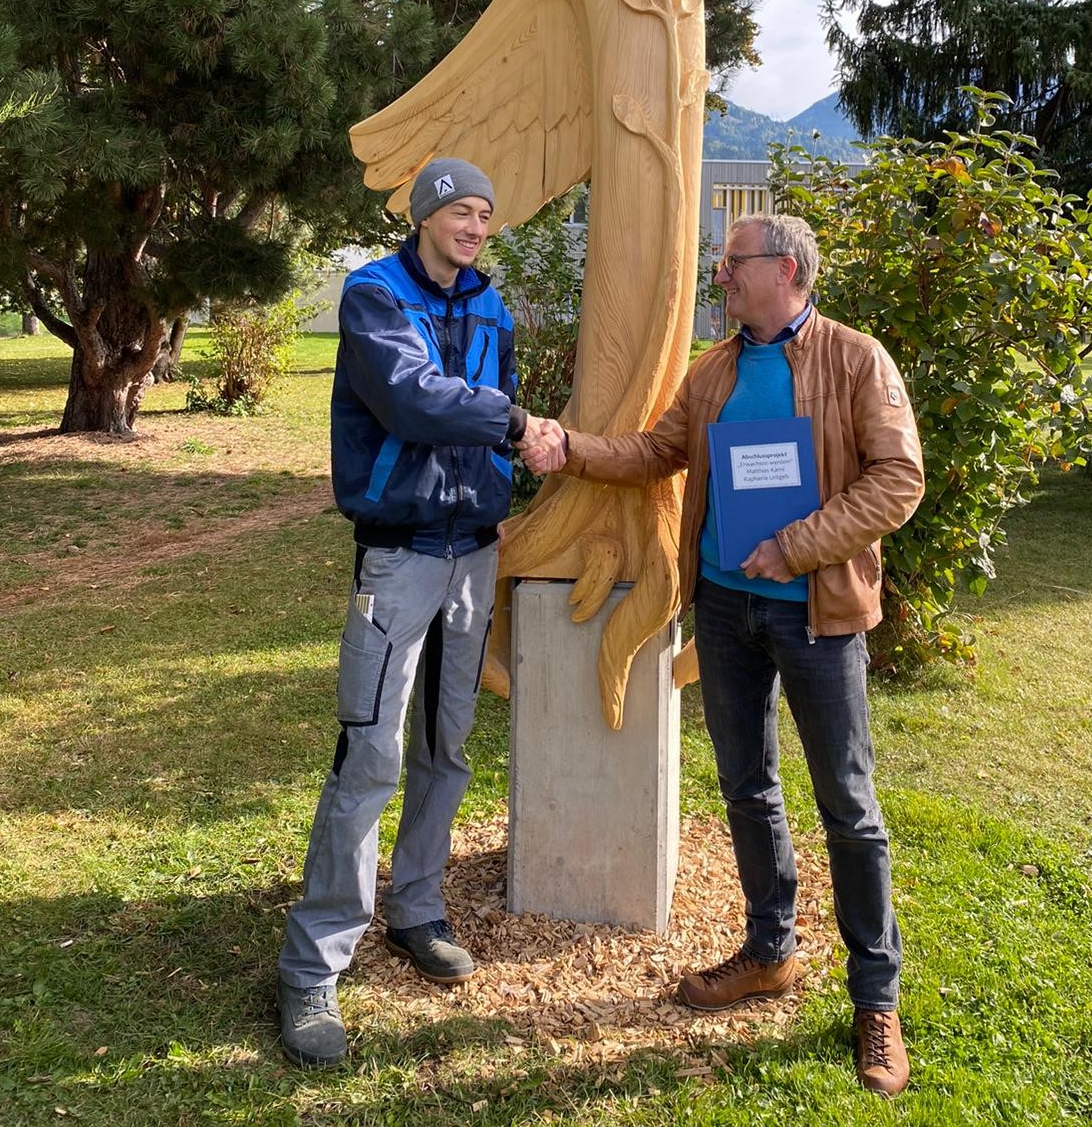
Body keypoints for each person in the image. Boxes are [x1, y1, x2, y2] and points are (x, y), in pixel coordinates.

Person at [522, 213, 924, 1097]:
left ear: (784, 269)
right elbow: (658, 452)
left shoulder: (857, 360)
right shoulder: (714, 371)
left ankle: (875, 999)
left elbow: (898, 480)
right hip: (728, 613)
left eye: (731, 265)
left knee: (848, 807)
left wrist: (799, 545)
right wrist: (570, 449)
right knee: (747, 787)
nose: (721, 278)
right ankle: (768, 953)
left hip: (817, 617)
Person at [277, 157, 561, 1070]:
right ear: (427, 215)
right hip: (398, 557)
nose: (476, 227)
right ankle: (312, 968)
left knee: (448, 746)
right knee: (369, 756)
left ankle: (417, 907)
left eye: (486, 214)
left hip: (473, 553)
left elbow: (486, 404)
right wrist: (519, 428)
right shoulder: (373, 296)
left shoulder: (494, 304)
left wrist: (514, 463)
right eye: (461, 212)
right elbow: (409, 396)